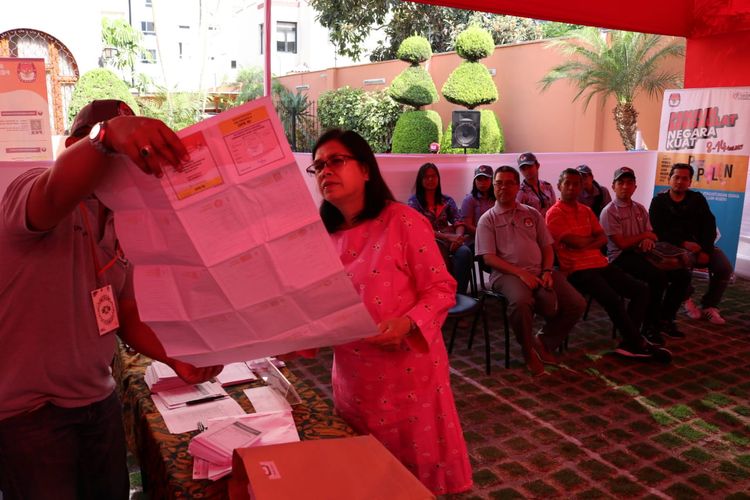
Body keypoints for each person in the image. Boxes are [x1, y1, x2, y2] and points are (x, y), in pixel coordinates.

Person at [0, 99, 221, 500]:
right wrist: (107, 138)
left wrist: (177, 358)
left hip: (96, 399)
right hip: (30, 416)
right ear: (72, 144)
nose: (122, 163)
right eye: (113, 151)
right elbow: (52, 194)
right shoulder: (31, 189)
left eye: (131, 154)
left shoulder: (124, 221)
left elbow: (127, 312)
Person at [307, 129, 472, 495]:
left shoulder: (403, 221)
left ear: (365, 169)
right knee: (366, 475)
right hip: (352, 378)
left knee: (410, 479)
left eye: (336, 161)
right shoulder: (322, 237)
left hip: (407, 375)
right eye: (317, 166)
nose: (324, 171)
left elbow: (442, 287)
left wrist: (408, 322)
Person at [546, 168, 668, 361]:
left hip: (599, 263)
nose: (571, 188)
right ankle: (637, 343)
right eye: (567, 183)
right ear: (559, 186)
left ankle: (630, 342)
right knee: (613, 299)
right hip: (577, 269)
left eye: (576, 184)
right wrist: (586, 242)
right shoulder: (554, 214)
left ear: (581, 187)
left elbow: (602, 238)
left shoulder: (586, 211)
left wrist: (584, 243)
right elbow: (580, 242)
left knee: (641, 290)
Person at [475, 166, 586, 375]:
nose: (503, 188)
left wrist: (546, 270)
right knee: (521, 302)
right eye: (499, 183)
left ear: (517, 186)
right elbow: (489, 257)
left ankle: (543, 342)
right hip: (506, 275)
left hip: (539, 271)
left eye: (509, 183)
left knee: (576, 303)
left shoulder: (532, 214)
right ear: (493, 186)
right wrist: (520, 273)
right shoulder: (487, 219)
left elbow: (546, 247)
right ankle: (528, 351)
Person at [599, 167, 692, 344]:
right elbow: (622, 244)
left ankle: (665, 319)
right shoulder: (609, 211)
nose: (625, 186)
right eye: (621, 183)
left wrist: (647, 240)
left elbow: (653, 235)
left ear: (635, 187)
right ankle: (649, 327)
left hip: (641, 253)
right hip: (620, 258)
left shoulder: (640, 209)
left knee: (682, 275)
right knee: (657, 278)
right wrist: (643, 237)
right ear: (613, 186)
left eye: (629, 183)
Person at [649, 162, 733, 325]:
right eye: (676, 177)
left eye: (684, 178)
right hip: (671, 249)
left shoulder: (697, 199)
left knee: (724, 267)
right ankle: (686, 299)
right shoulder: (658, 202)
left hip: (700, 247)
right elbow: (658, 231)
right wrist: (683, 243)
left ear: (690, 182)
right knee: (680, 269)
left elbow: (709, 225)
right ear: (669, 179)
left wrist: (706, 250)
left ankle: (709, 305)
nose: (680, 181)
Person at [407, 162, 473, 294]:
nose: (430, 179)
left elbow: (458, 221)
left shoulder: (447, 200)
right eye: (426, 177)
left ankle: (459, 296)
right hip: (427, 242)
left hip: (450, 241)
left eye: (433, 176)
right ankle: (439, 295)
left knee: (465, 252)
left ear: (438, 178)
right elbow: (419, 229)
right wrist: (447, 236)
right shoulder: (414, 202)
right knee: (437, 253)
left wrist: (458, 238)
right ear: (420, 180)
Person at [460, 164, 496, 246]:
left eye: (486, 179)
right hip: (475, 241)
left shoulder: (497, 199)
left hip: (497, 238)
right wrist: (486, 235)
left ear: (491, 180)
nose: (482, 183)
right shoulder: (469, 200)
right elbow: (467, 225)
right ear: (474, 181)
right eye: (479, 179)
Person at [516, 151, 557, 217]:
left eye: (529, 166)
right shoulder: (520, 192)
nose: (527, 171)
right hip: (531, 226)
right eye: (523, 169)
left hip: (549, 224)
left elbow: (554, 208)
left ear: (537, 165)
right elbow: (518, 215)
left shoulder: (547, 186)